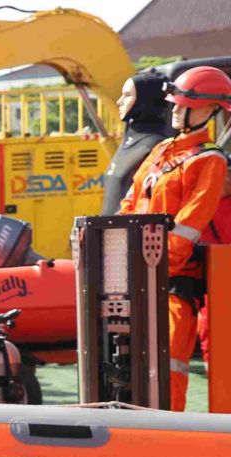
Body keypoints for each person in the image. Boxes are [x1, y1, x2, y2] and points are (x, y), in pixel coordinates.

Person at [120, 66, 231, 411]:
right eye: (174, 104)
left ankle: (170, 432)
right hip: (141, 276)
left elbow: (188, 226)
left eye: (183, 104)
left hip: (172, 281)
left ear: (210, 109)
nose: (175, 110)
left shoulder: (209, 160)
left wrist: (156, 269)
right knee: (132, 363)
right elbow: (131, 201)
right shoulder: (162, 150)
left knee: (168, 364)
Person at [101, 71, 171, 216]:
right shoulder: (129, 142)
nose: (119, 101)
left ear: (145, 100)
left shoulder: (156, 145)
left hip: (132, 235)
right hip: (110, 234)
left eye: (127, 95)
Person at [196, 167, 231, 362]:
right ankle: (214, 365)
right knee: (211, 326)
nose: (225, 180)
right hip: (215, 276)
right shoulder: (205, 206)